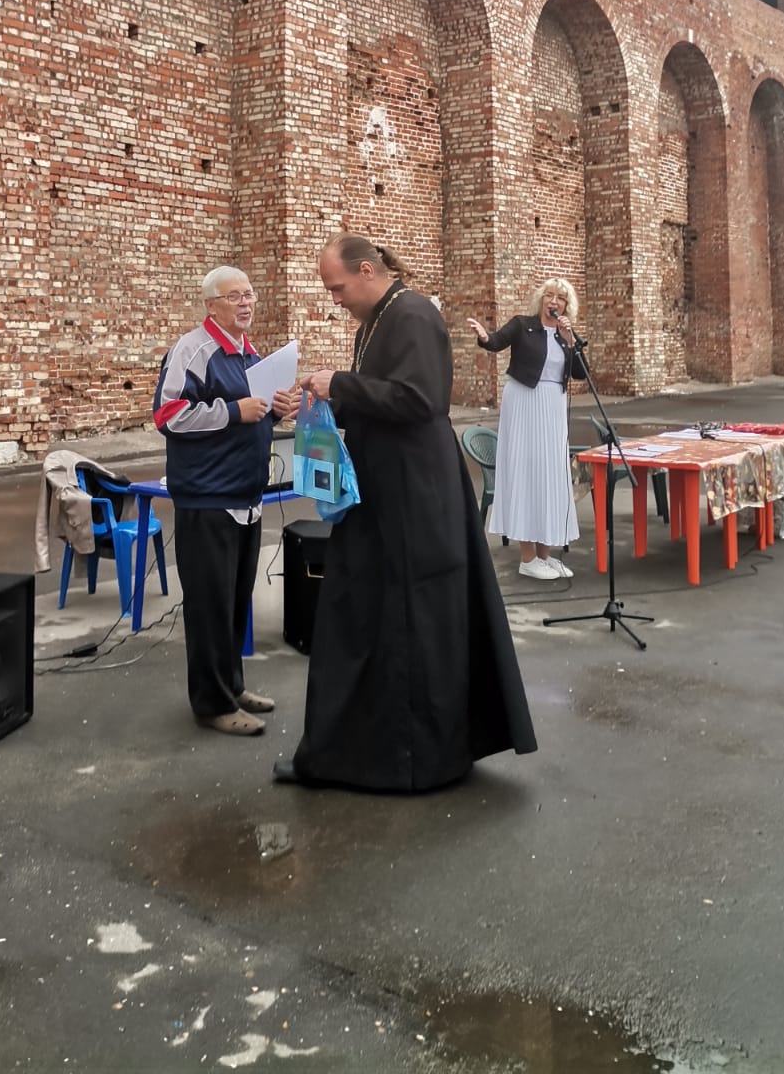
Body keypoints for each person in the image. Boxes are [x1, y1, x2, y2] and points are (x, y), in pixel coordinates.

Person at [274, 235, 536, 792]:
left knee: (411, 622)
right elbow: (377, 398)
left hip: (415, 496)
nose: (335, 300)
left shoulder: (412, 315)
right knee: (360, 615)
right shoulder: (374, 322)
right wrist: (323, 400)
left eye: (338, 288)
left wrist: (340, 383)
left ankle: (412, 759)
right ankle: (348, 752)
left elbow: (421, 401)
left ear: (367, 271)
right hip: (382, 492)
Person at [154, 267, 299, 736]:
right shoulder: (193, 350)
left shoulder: (248, 353)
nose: (246, 303)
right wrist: (235, 411)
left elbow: (252, 416)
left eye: (249, 294)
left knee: (235, 603)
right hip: (208, 499)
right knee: (210, 608)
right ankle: (212, 704)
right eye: (234, 296)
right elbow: (168, 415)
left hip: (246, 496)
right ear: (211, 305)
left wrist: (274, 411)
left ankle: (231, 687)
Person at [468, 279, 586, 582]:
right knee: (527, 474)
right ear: (541, 299)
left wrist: (571, 340)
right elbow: (496, 341)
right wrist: (484, 337)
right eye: (549, 295)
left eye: (561, 298)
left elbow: (580, 373)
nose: (554, 301)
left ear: (567, 305)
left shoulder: (565, 335)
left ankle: (545, 556)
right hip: (524, 402)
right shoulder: (523, 325)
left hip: (553, 406)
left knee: (550, 476)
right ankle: (527, 558)